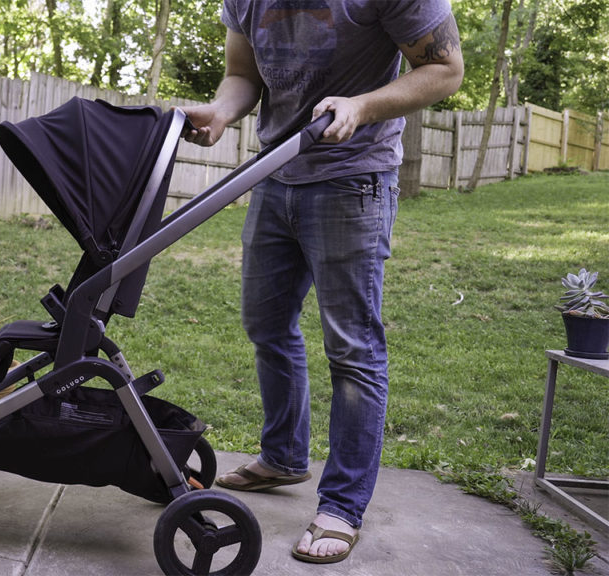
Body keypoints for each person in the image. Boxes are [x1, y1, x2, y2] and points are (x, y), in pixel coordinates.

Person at [181, 0, 463, 565]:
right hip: (274, 173)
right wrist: (221, 112)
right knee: (266, 324)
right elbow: (242, 74)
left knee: (353, 347)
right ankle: (284, 456)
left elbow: (446, 70)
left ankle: (342, 505)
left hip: (354, 179)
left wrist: (364, 104)